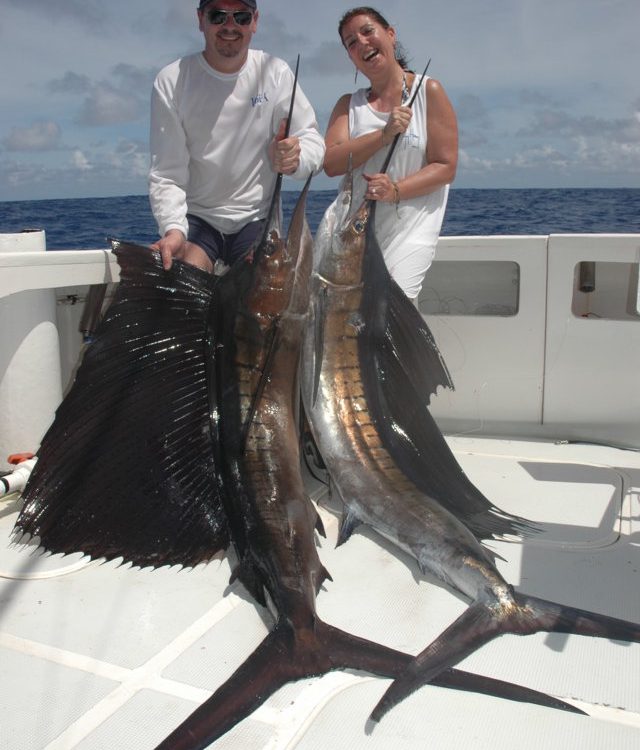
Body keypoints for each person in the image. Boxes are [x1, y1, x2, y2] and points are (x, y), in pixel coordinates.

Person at [149, 0, 325, 272]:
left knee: (263, 296)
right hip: (198, 219)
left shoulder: (275, 72)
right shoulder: (172, 80)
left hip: (257, 220)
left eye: (240, 17)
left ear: (254, 21)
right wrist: (173, 229)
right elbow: (167, 173)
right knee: (187, 282)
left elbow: (313, 142)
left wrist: (294, 158)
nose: (230, 25)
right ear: (200, 19)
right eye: (218, 15)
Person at [323, 6, 458, 300]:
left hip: (409, 231)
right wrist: (383, 136)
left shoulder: (429, 91)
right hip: (351, 233)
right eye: (351, 43)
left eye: (368, 31)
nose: (362, 43)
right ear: (350, 57)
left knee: (393, 307)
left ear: (391, 34)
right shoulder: (348, 104)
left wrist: (395, 190)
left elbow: (446, 166)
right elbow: (331, 163)